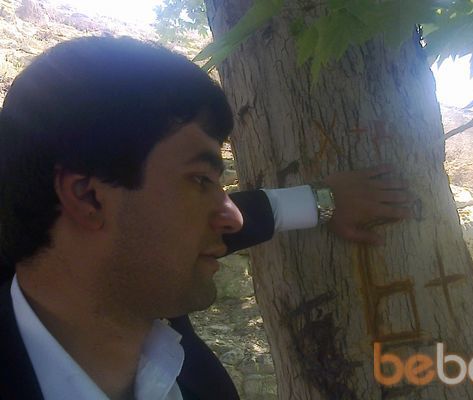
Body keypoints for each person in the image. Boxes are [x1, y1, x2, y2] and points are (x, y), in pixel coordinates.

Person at [0, 36, 413, 400]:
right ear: (88, 198)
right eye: (200, 180)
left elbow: (166, 229)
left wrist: (319, 200)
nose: (232, 218)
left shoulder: (195, 377)